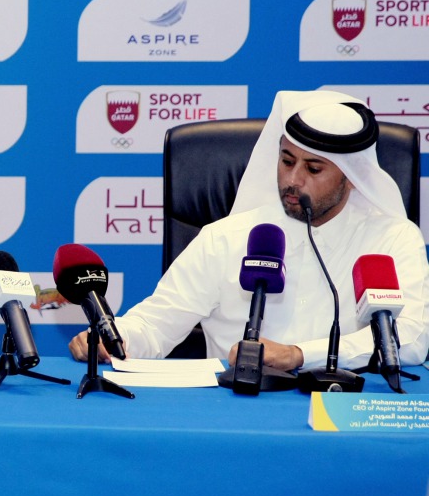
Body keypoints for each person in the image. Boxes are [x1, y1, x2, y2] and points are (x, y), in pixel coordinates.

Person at [69, 90, 429, 371]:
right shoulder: (226, 238)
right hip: (235, 415)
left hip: (343, 415)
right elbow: (156, 324)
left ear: (352, 178)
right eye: (287, 161)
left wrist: (300, 355)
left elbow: (410, 340)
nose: (292, 179)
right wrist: (112, 338)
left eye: (314, 169)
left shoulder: (392, 239)